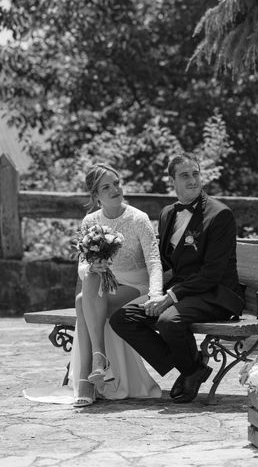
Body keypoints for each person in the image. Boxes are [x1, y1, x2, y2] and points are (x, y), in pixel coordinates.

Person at [110, 153, 245, 403]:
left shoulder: (220, 215)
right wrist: (153, 292)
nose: (193, 180)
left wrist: (169, 297)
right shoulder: (167, 213)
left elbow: (211, 273)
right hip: (183, 292)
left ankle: (190, 369)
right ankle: (192, 367)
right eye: (185, 175)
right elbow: (164, 262)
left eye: (195, 173)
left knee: (168, 320)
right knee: (123, 318)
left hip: (216, 294)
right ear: (172, 180)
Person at [24, 164, 163, 406]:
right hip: (103, 285)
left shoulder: (139, 219)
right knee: (89, 281)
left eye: (117, 183)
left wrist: (155, 293)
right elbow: (82, 264)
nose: (115, 189)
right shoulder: (90, 221)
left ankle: (85, 379)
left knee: (82, 302)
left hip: (135, 283)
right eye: (106, 187)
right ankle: (99, 362)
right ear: (96, 195)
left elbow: (153, 260)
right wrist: (93, 267)